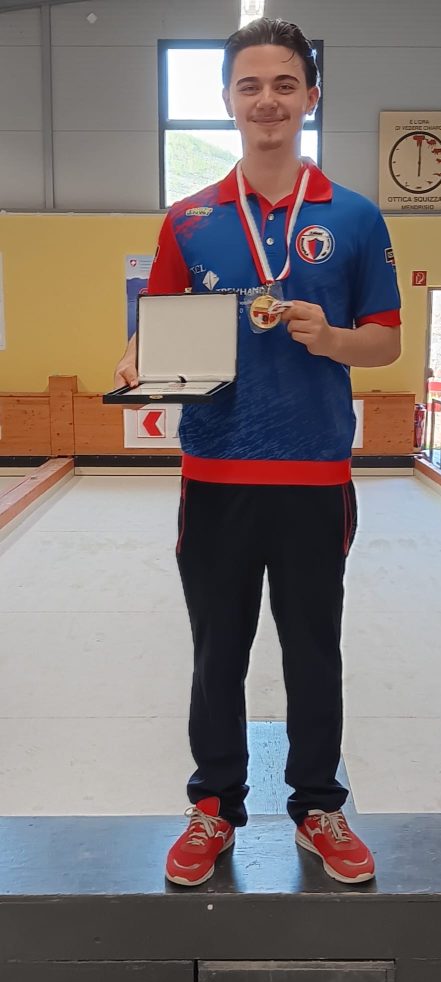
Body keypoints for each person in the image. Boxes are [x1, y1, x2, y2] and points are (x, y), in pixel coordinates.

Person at [114, 18, 401, 886]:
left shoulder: (355, 216)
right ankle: (214, 806)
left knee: (314, 651)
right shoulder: (189, 219)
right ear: (228, 100)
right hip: (216, 473)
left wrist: (333, 338)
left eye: (284, 84)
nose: (267, 100)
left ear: (310, 95)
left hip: (314, 473)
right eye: (250, 85)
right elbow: (153, 329)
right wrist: (135, 359)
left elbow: (386, 341)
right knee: (218, 654)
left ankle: (318, 805)